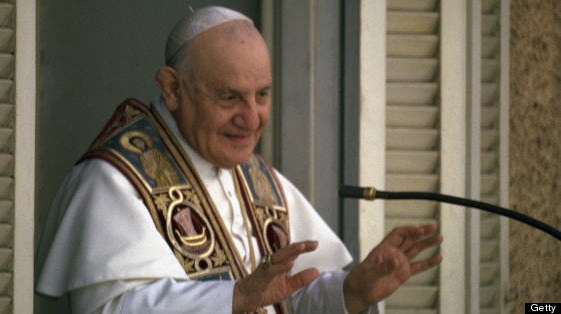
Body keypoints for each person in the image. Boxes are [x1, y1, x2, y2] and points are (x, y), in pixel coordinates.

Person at [35, 6, 443, 313]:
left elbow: (290, 299)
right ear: (172, 89)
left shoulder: (256, 177)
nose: (251, 119)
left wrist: (350, 291)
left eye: (261, 95)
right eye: (229, 97)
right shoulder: (114, 178)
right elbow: (112, 309)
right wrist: (236, 297)